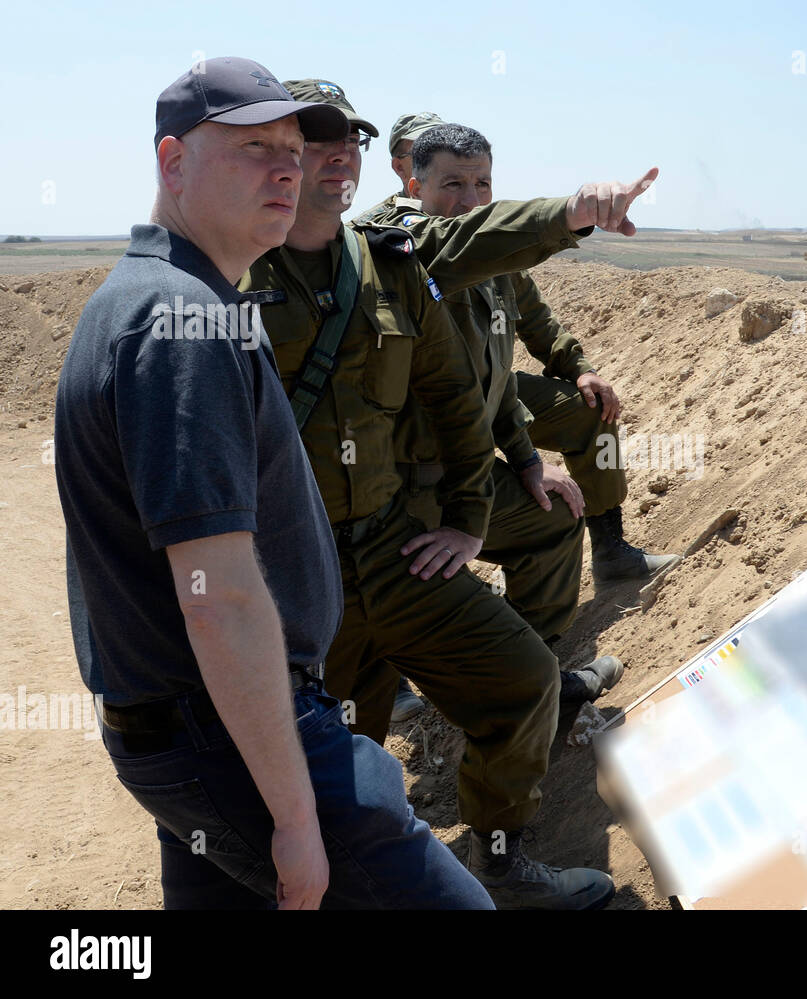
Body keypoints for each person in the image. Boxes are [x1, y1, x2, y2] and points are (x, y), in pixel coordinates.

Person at [54, 57, 492, 910]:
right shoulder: (181, 324)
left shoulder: (160, 296)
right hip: (234, 740)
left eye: (293, 146)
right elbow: (216, 594)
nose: (288, 167)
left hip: (197, 734)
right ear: (173, 163)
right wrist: (297, 816)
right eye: (255, 148)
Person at [238, 78, 650, 908]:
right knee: (339, 747)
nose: (328, 159)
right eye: (302, 144)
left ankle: (500, 859)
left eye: (340, 143)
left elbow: (466, 387)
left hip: (396, 547)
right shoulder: (226, 279)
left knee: (523, 677)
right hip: (299, 575)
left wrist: (573, 210)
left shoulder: (392, 263)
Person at [373, 122, 682, 591]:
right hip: (430, 423)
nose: (471, 195)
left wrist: (578, 368)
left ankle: (612, 551)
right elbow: (459, 245)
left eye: (481, 183)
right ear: (408, 173)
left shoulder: (491, 238)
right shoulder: (391, 237)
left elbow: (530, 314)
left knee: (588, 412)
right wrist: (571, 212)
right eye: (452, 181)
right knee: (531, 511)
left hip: (492, 392)